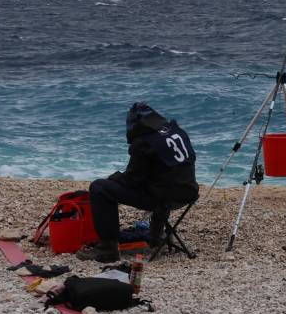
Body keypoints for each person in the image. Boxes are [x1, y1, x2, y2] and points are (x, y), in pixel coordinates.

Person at [77, 102, 199, 262]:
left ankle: (107, 249)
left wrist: (114, 178)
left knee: (99, 188)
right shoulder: (177, 132)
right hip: (188, 193)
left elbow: (132, 180)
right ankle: (156, 236)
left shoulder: (144, 143)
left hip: (163, 199)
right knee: (165, 179)